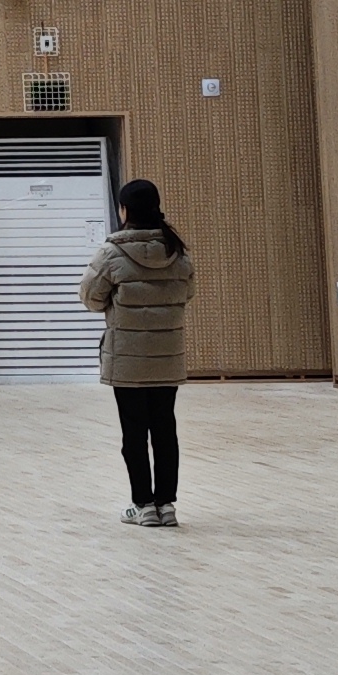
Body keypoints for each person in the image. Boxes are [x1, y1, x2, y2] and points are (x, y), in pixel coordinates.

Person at [82, 178, 198, 525]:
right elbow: (187, 293)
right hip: (166, 356)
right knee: (165, 430)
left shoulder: (111, 253)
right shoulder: (177, 251)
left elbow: (90, 297)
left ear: (124, 210)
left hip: (127, 359)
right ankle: (167, 505)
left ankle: (144, 506)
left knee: (133, 433)